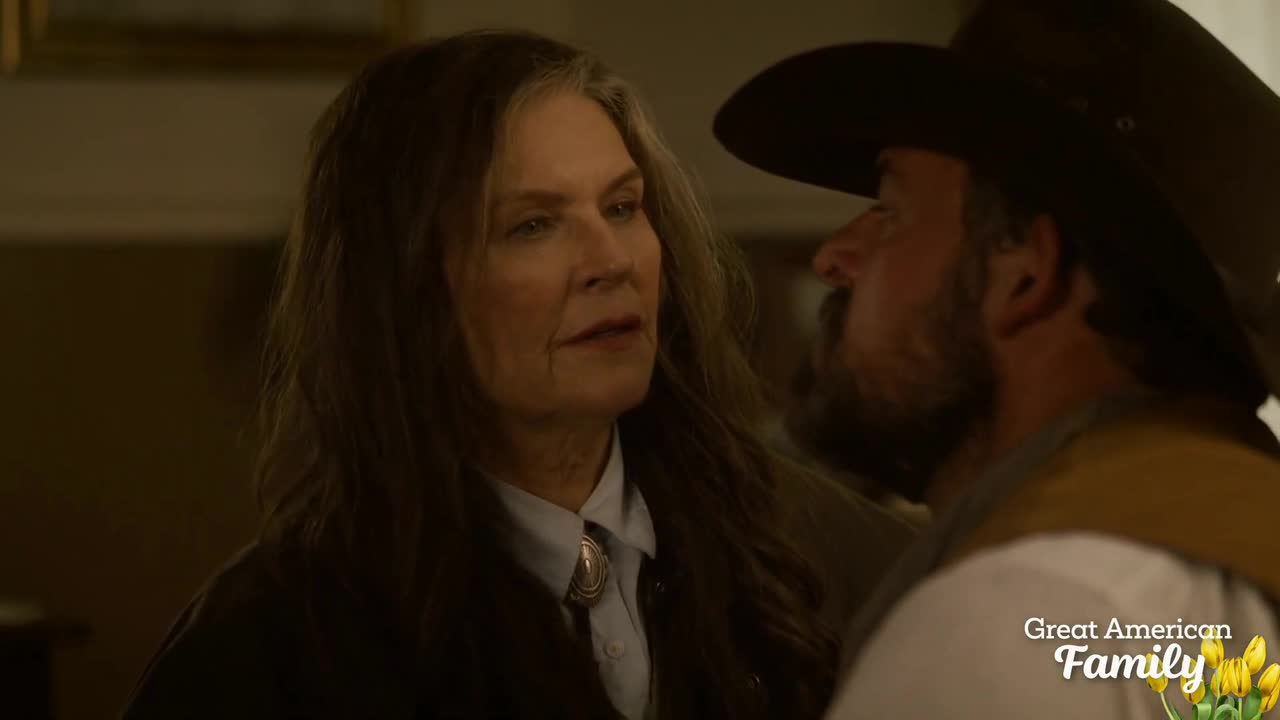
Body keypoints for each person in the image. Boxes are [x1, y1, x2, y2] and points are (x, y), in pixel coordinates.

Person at [120, 30, 914, 720]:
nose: (610, 261)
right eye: (533, 225)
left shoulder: (824, 550)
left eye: (622, 208)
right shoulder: (275, 644)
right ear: (409, 291)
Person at [713, 0, 1280, 717]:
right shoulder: (1223, 552)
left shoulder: (1011, 618)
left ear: (1024, 273)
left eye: (890, 208)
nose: (834, 256)